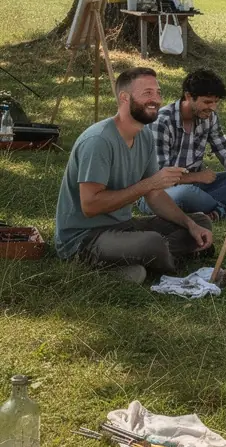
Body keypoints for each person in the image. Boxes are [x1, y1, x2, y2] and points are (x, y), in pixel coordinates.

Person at [54, 67, 214, 284]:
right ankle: (165, 264)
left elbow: (155, 195)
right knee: (152, 242)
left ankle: (140, 264)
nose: (156, 100)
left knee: (200, 222)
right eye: (147, 93)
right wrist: (148, 184)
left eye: (158, 93)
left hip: (123, 226)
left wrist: (190, 225)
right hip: (85, 237)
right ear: (124, 98)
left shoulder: (145, 136)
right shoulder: (98, 141)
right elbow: (90, 206)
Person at [135, 68, 226, 220]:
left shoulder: (210, 117)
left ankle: (204, 208)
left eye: (216, 102)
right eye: (207, 102)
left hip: (197, 187)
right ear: (188, 96)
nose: (213, 107)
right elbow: (160, 176)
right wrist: (198, 176)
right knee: (185, 193)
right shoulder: (162, 122)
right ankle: (223, 212)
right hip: (157, 192)